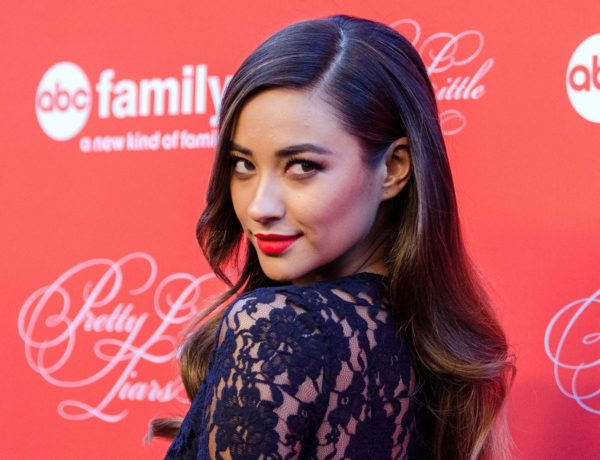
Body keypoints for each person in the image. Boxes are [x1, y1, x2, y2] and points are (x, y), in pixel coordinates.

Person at [149, 15, 515, 459]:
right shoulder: (429, 349)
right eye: (243, 164)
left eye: (302, 166)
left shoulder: (277, 328)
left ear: (394, 168)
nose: (260, 206)